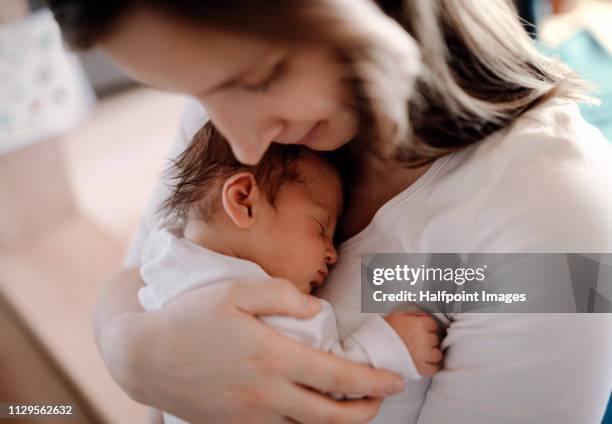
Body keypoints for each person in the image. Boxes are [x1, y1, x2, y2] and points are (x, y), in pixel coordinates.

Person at [48, 0, 612, 422]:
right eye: (197, 91)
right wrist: (133, 353)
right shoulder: (238, 115)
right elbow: (142, 271)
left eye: (261, 79)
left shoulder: (560, 226)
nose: (241, 141)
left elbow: (418, 279)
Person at [140, 121, 441, 424]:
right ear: (243, 201)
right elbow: (316, 393)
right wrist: (389, 346)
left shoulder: (167, 262)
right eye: (321, 227)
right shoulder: (260, 302)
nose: (332, 253)